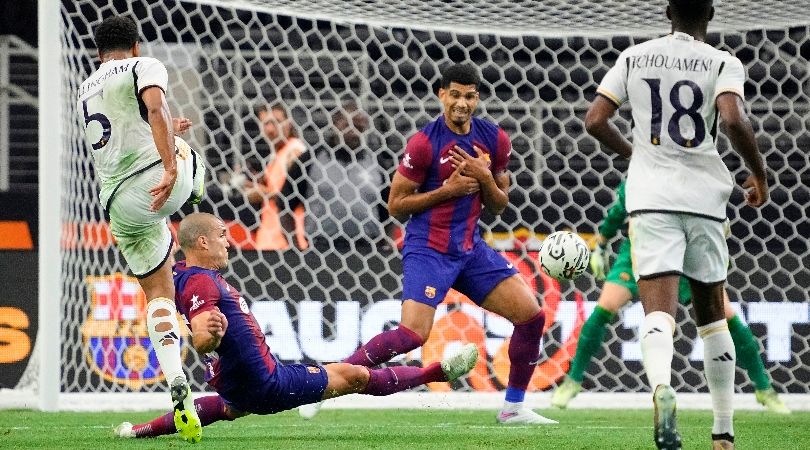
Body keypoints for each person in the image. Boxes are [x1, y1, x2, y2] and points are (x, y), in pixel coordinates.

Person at [303, 63, 557, 425]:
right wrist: (447, 191)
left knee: (532, 316)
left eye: (469, 96)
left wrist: (485, 177)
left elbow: (500, 204)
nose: (461, 103)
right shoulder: (424, 143)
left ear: (477, 98)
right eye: (454, 94)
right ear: (442, 95)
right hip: (429, 248)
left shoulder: (495, 139)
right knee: (412, 335)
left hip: (470, 249)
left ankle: (513, 408)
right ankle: (324, 383)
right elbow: (395, 206)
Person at [112, 213, 479, 439]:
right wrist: (206, 333)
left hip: (239, 381)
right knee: (354, 378)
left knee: (227, 408)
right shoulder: (201, 283)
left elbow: (165, 282)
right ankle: (436, 373)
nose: (229, 241)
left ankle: (140, 430)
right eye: (223, 235)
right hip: (267, 383)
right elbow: (204, 339)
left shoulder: (183, 276)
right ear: (203, 241)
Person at [584, 1, 769, 448]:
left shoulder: (634, 56)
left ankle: (662, 389)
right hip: (705, 197)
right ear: (710, 12)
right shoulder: (723, 61)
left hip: (650, 198)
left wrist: (638, 155)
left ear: (668, 11)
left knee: (658, 314)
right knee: (712, 321)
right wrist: (759, 173)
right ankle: (723, 432)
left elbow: (595, 121)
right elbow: (732, 119)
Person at [550, 181, 789, 414]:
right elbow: (617, 211)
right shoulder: (640, 174)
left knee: (725, 315)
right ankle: (573, 381)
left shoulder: (695, 173)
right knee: (606, 306)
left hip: (688, 252)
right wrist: (601, 245)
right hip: (639, 250)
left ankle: (764, 388)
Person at [77, 15, 206, 443]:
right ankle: (197, 194)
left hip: (118, 206)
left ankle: (177, 385)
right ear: (135, 45)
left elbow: (129, 126)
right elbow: (154, 108)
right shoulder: (143, 65)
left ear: (99, 52)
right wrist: (172, 164)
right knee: (188, 153)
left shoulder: (85, 87)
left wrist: (166, 129)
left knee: (157, 292)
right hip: (158, 181)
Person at [305, 102, 389, 252]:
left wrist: (385, 244)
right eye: (348, 126)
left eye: (359, 128)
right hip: (322, 248)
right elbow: (285, 205)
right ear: (335, 125)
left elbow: (390, 210)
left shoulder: (376, 162)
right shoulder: (311, 159)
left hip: (367, 248)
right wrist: (295, 246)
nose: (354, 133)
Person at [244, 102, 309, 250]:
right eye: (266, 123)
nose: (271, 129)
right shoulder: (278, 154)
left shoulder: (294, 151)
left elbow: (294, 195)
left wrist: (262, 194)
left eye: (277, 122)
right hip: (271, 239)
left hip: (284, 240)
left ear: (289, 123)